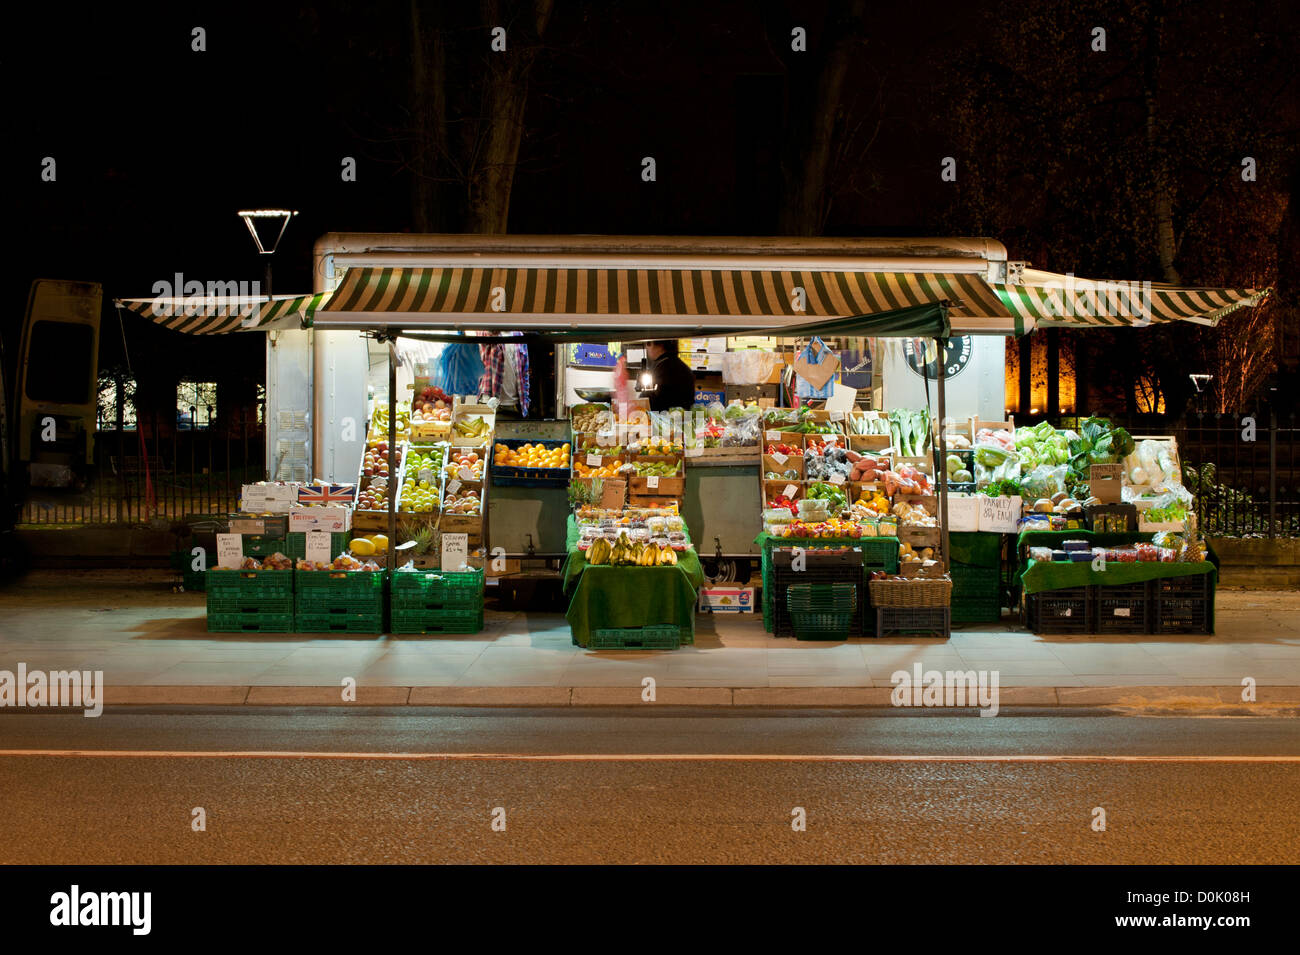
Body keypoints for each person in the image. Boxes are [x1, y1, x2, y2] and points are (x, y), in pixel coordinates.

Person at [478, 332, 531, 418]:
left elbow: (525, 371)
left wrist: (526, 401)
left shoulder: (519, 335)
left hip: (513, 404)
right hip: (489, 402)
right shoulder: (488, 333)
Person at [644, 340, 696, 412]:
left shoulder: (661, 368)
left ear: (660, 346)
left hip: (664, 420)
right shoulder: (684, 367)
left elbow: (650, 399)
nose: (646, 348)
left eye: (648, 344)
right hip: (684, 419)